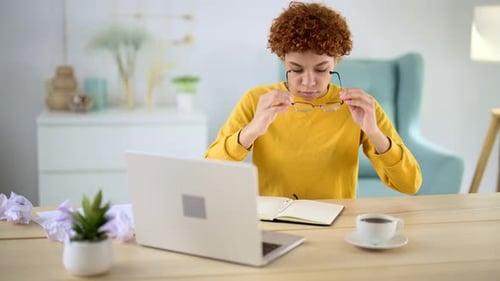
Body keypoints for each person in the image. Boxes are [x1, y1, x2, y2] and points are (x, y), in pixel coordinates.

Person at [205, 1, 422, 199]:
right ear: (283, 60)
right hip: (274, 222)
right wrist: (252, 130)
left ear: (336, 61)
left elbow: (410, 184)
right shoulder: (257, 100)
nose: (308, 82)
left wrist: (374, 133)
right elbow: (210, 172)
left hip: (337, 221)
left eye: (321, 70)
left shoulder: (360, 106)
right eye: (296, 70)